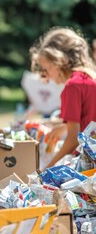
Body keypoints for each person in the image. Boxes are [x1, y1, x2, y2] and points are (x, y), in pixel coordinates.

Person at [30, 27, 96, 170]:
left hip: (86, 163)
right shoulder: (90, 78)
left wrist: (46, 169)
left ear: (59, 60)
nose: (46, 76)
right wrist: (64, 126)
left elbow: (73, 140)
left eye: (45, 69)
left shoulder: (72, 86)